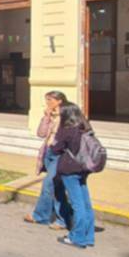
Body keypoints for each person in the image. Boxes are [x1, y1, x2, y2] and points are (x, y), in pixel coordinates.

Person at [52, 102, 97, 248]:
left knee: (77, 204)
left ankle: (77, 238)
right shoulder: (85, 127)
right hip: (84, 168)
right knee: (85, 203)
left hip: (70, 169)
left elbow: (56, 148)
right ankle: (88, 236)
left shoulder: (67, 129)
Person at [25, 91, 69, 230]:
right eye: (47, 100)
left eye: (50, 100)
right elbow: (41, 133)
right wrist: (46, 117)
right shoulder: (51, 116)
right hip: (49, 153)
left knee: (48, 184)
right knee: (57, 188)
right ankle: (63, 218)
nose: (48, 103)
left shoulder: (67, 115)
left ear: (59, 101)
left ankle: (40, 216)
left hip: (60, 154)